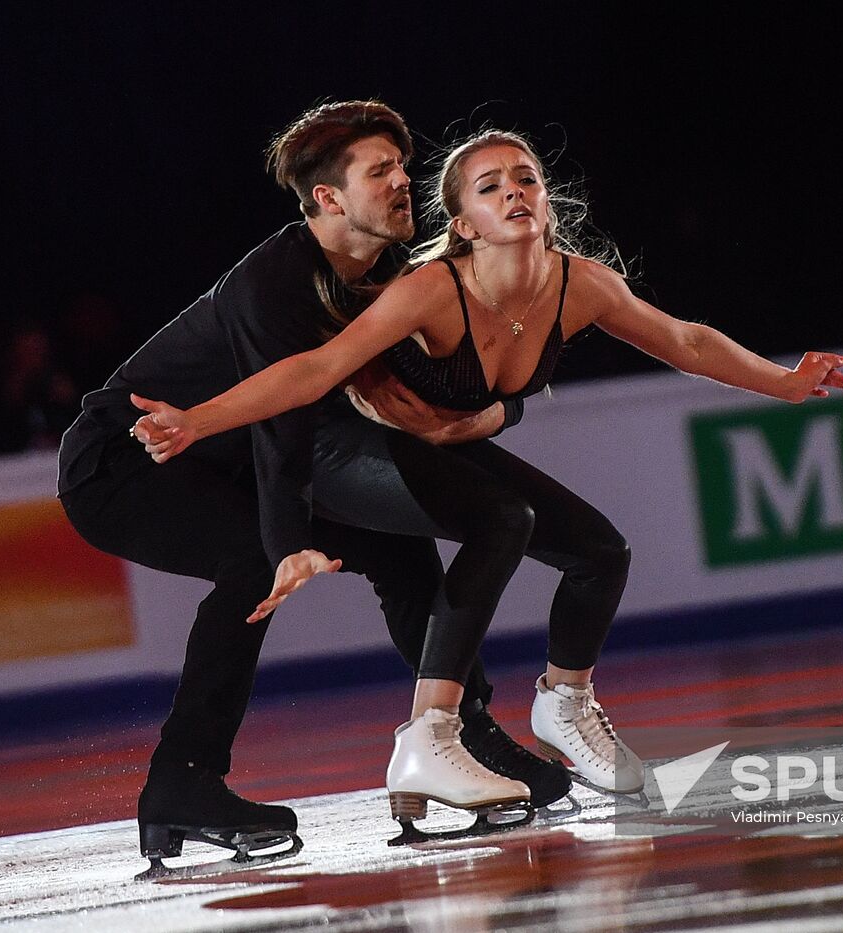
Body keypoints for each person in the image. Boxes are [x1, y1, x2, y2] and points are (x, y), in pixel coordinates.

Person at [132, 128, 843, 831]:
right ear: (465, 224)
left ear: (547, 201)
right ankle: (429, 735)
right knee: (503, 518)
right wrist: (200, 418)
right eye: (490, 186)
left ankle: (564, 707)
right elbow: (315, 370)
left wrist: (784, 382)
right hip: (347, 450)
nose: (513, 192)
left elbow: (686, 341)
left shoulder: (583, 286)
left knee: (601, 551)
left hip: (435, 449)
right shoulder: (431, 290)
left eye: (526, 179)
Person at [57, 104, 570, 872]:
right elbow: (283, 433)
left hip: (219, 462)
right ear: (330, 200)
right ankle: (183, 783)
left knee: (402, 549)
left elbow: (462, 369)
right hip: (124, 462)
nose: (405, 179)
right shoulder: (275, 282)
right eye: (380, 171)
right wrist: (286, 542)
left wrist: (510, 405)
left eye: (403, 163)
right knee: (250, 562)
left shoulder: (393, 276)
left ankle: (462, 734)